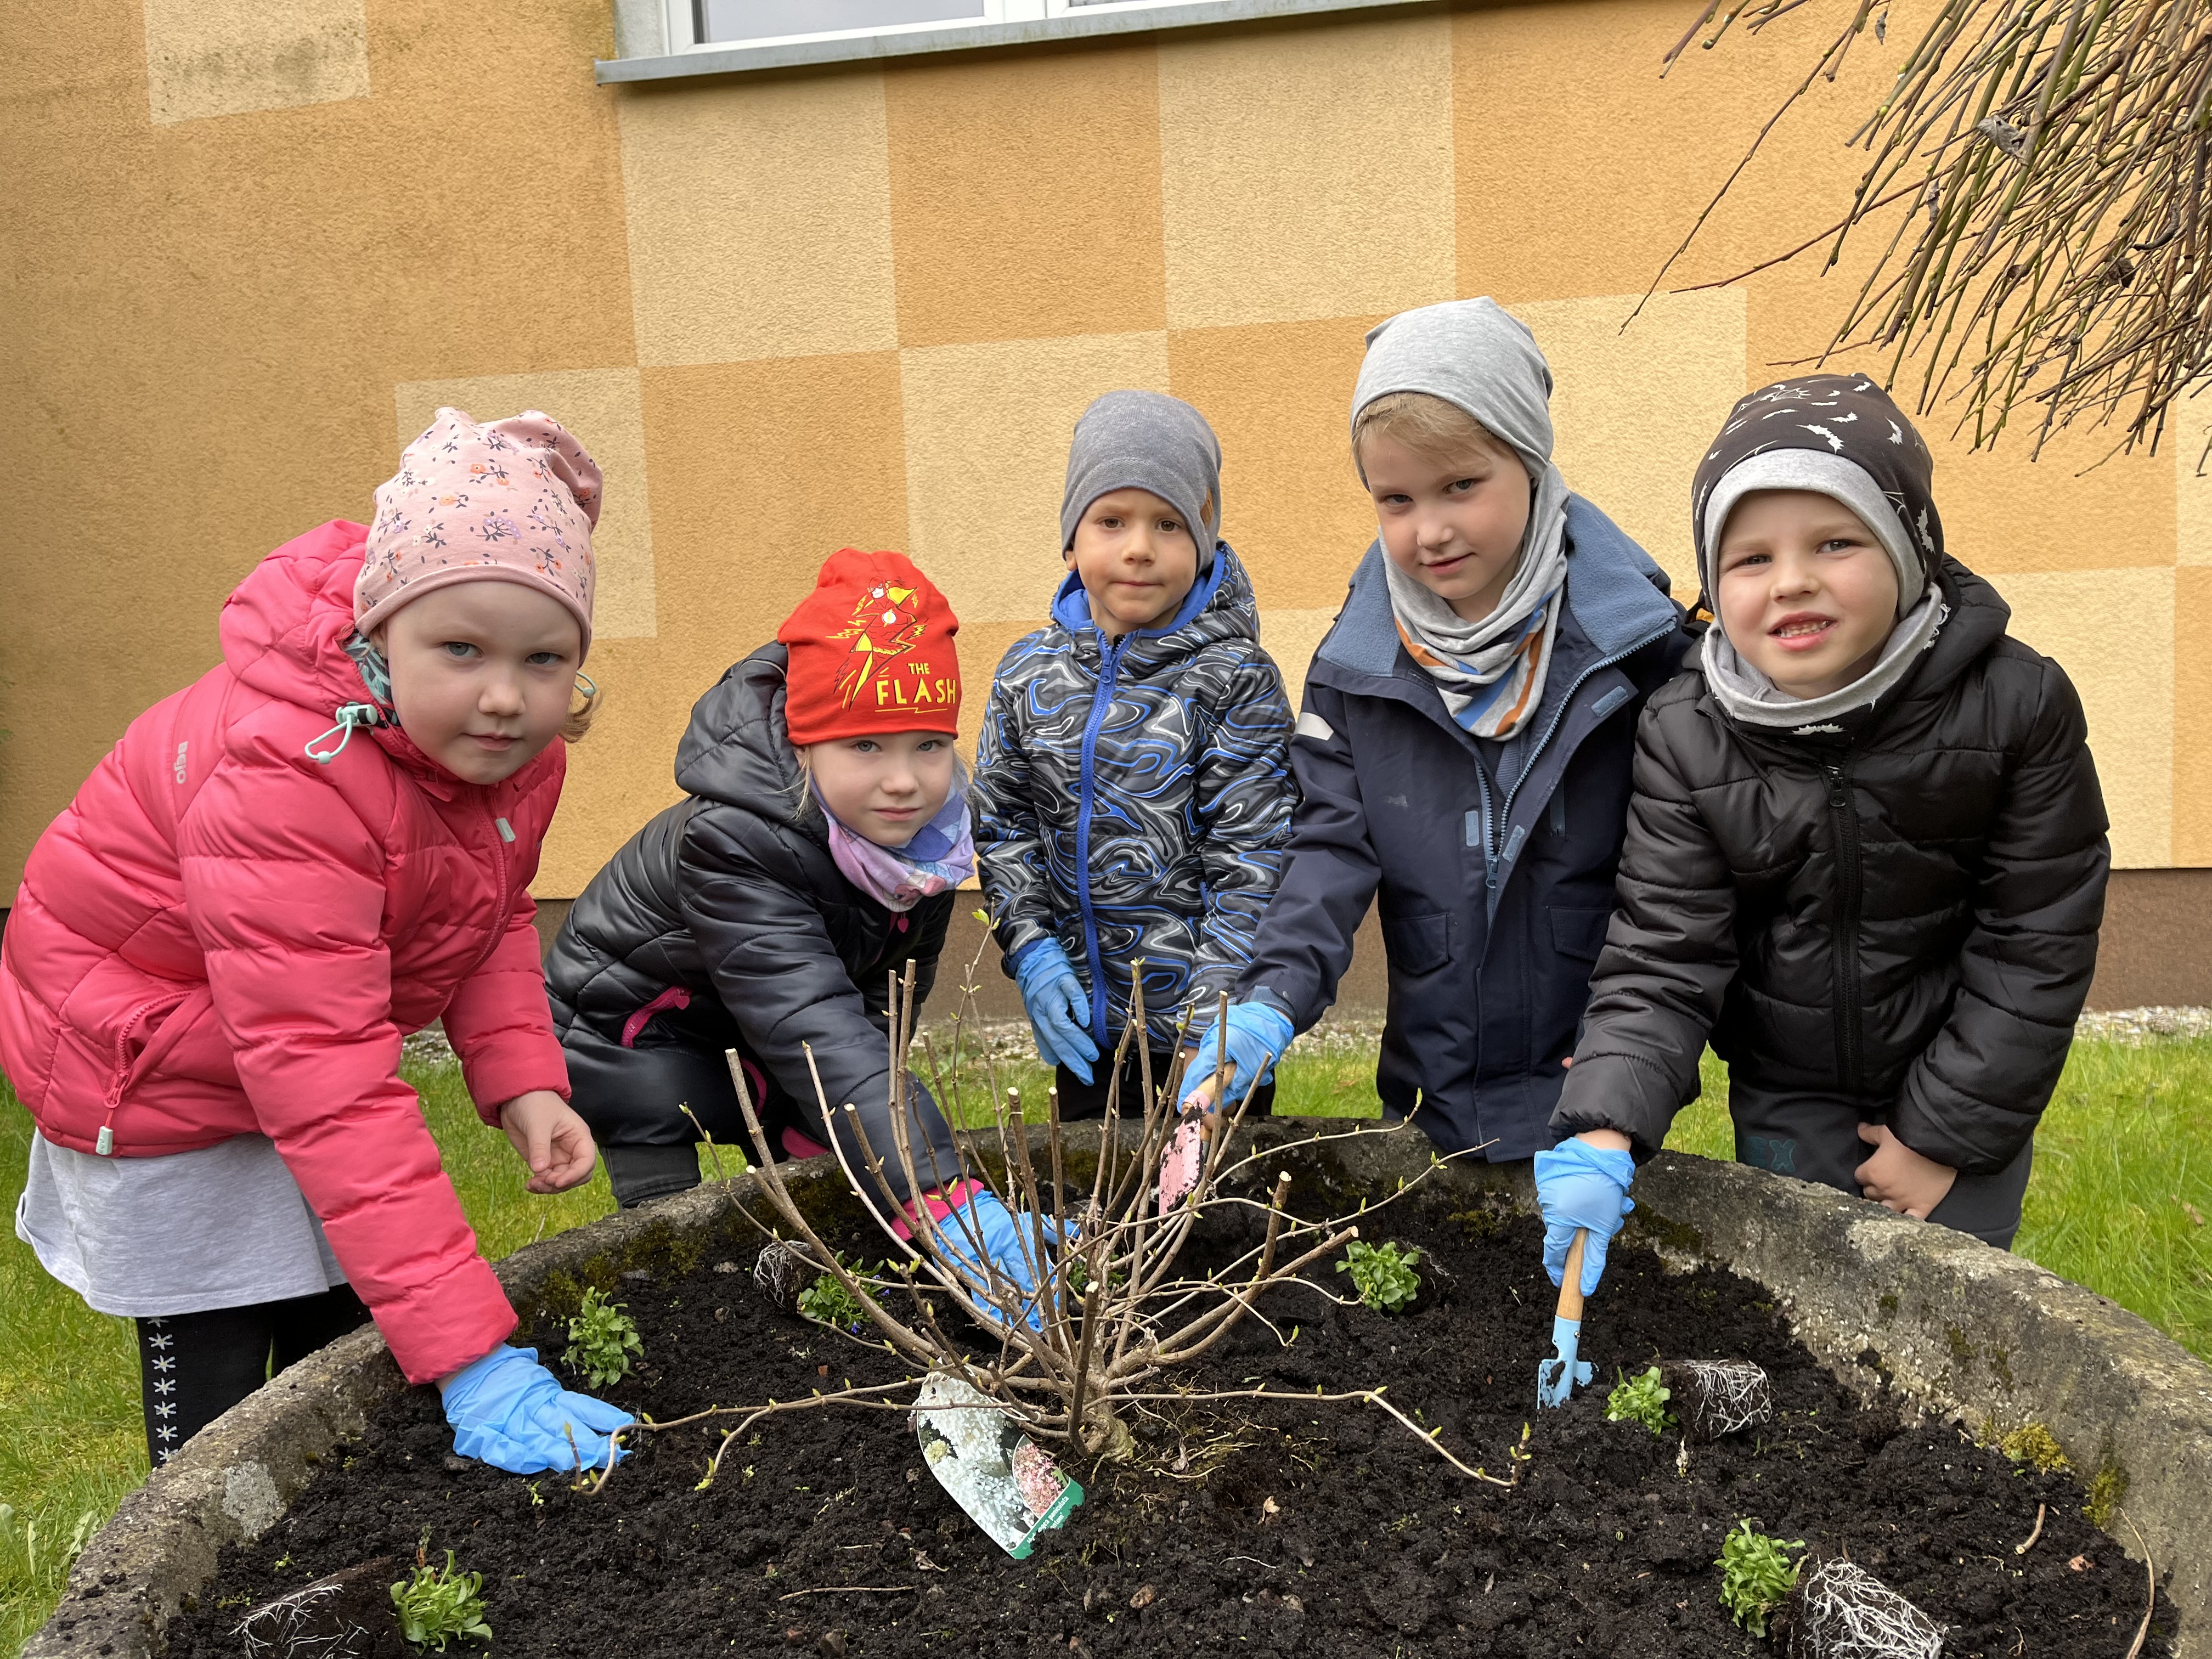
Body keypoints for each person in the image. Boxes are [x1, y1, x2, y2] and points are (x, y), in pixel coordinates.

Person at [4, 409, 630, 1474]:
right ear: (377, 633)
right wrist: (475, 1357)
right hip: (148, 1063)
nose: (504, 695)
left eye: (545, 659)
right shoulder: (289, 781)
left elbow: (481, 917)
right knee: (221, 1406)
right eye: (462, 649)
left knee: (342, 1343)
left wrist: (522, 1076)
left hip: (275, 1039)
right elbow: (325, 1079)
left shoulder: (501, 757)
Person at [1541, 375, 2109, 1296]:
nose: (1792, 579)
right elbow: (1663, 952)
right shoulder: (1687, 729)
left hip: (1967, 1084)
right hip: (1787, 1087)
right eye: (1751, 558)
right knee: (1805, 1319)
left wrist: (1942, 1136)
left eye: (1835, 542)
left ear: (1907, 548)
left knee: (1952, 1322)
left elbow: (2035, 941)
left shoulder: (2017, 705)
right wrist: (1602, 1129)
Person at [1182, 300, 1698, 1159]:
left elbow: (1677, 901)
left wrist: (1617, 1098)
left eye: (1462, 485)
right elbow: (1326, 853)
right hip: (1434, 1097)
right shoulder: (1356, 671)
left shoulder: (1642, 656)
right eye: (1396, 499)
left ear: (1531, 463)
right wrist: (1268, 1001)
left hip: (1601, 1098)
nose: (1431, 530)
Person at [545, 549, 1050, 1310]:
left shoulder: (922, 843)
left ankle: (793, 1273)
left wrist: (855, 1137)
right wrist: (941, 1193)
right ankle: (672, 1313)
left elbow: (883, 993)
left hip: (752, 1028)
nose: (905, 780)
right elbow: (811, 1025)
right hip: (632, 1027)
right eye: (866, 746)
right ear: (805, 746)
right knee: (678, 1252)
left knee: (834, 1169)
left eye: (928, 745)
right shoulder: (739, 841)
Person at [972, 391, 1295, 1116]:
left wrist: (1215, 1026)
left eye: (1170, 523)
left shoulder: (1233, 678)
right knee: (1095, 1218)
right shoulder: (1028, 675)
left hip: (1206, 1040)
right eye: (1111, 520)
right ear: (1071, 538)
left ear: (1205, 537)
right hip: (1086, 1031)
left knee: (1206, 1221)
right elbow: (1002, 824)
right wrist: (1030, 948)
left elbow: (1255, 864)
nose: (1139, 547)